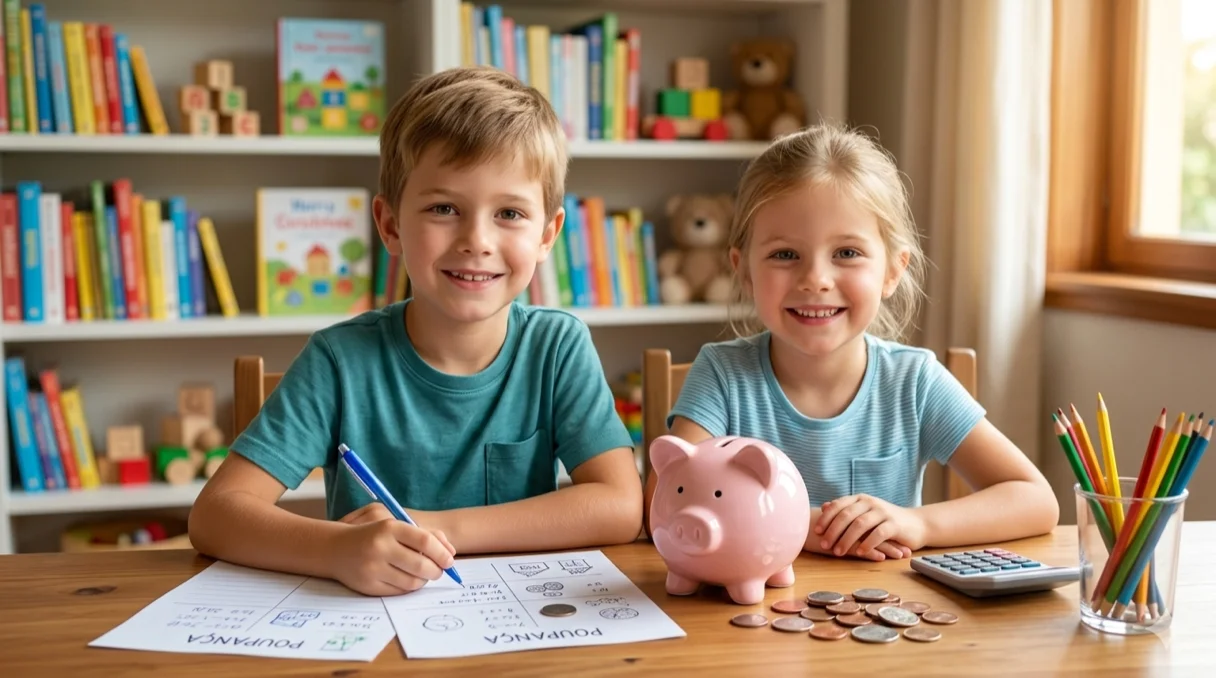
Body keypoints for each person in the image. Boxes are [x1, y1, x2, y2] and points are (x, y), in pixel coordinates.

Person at [190, 67, 643, 595]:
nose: (477, 240)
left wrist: (438, 527)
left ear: (547, 235)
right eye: (444, 208)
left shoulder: (557, 347)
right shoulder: (340, 359)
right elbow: (216, 515)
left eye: (509, 213)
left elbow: (620, 505)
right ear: (390, 226)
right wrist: (334, 550)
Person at [646, 123, 1058, 562]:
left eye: (846, 253)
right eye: (785, 255)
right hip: (751, 614)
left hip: (887, 617)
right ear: (744, 271)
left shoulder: (914, 382)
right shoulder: (722, 375)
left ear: (892, 271)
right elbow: (663, 500)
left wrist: (917, 523)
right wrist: (798, 523)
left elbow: (1035, 499)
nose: (816, 280)